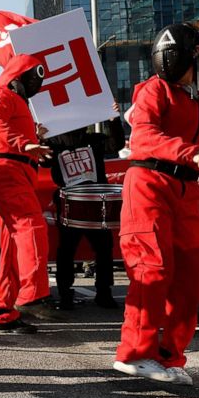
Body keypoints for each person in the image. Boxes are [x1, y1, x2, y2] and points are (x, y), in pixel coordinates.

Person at [114, 22, 199, 387]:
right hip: (149, 184)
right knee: (152, 268)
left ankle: (170, 355)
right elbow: (144, 135)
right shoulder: (153, 91)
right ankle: (134, 353)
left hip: (187, 191)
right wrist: (192, 155)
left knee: (192, 276)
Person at [0, 53, 56, 334]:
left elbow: (3, 126)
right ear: (18, 78)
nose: (37, 84)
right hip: (7, 170)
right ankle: (31, 294)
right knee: (31, 226)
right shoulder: (3, 96)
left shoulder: (17, 102)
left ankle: (4, 310)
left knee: (12, 245)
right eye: (33, 77)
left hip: (14, 170)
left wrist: (32, 139)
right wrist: (25, 143)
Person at [47, 110, 125, 310]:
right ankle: (65, 293)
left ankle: (104, 292)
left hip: (96, 201)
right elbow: (42, 159)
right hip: (69, 201)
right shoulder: (52, 143)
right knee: (67, 250)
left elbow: (116, 145)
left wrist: (113, 120)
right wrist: (37, 136)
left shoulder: (94, 139)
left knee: (103, 248)